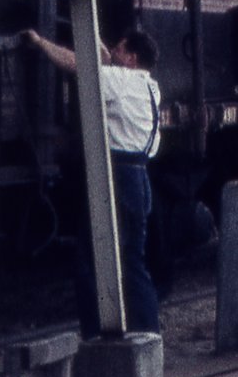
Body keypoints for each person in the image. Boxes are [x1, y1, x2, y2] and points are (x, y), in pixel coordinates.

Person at [18, 26, 163, 335]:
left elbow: (79, 66)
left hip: (118, 178)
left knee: (90, 258)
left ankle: (96, 334)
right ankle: (147, 332)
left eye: (120, 49)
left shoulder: (121, 81)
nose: (114, 54)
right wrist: (97, 36)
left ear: (132, 59)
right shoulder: (148, 86)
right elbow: (108, 65)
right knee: (131, 260)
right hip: (139, 177)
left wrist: (41, 43)